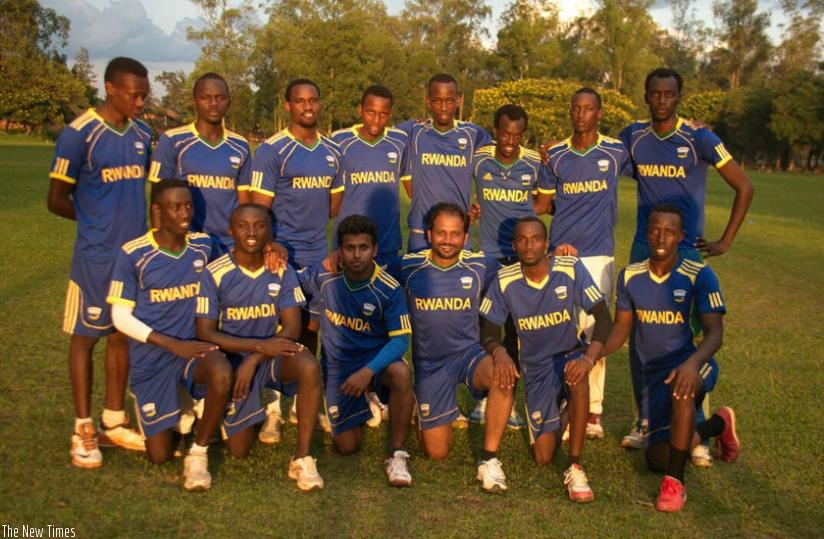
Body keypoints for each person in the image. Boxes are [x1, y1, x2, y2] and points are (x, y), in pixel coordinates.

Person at [618, 68, 754, 457]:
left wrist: (725, 241)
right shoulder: (633, 137)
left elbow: (744, 186)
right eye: (655, 93)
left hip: (687, 250)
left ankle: (698, 429)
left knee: (689, 339)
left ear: (679, 97)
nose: (661, 100)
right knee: (641, 337)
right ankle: (644, 421)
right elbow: (599, 157)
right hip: (644, 248)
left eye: (669, 94)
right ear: (646, 96)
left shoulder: (700, 138)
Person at [47, 56, 152, 468]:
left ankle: (113, 420)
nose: (140, 102)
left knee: (121, 334)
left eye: (144, 95)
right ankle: (83, 428)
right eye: (134, 95)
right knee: (86, 336)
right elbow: (56, 199)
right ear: (110, 88)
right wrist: (94, 222)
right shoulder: (79, 134)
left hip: (133, 258)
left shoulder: (142, 133)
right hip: (95, 258)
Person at [601, 204, 740, 512]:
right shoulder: (630, 276)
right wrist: (592, 353)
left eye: (669, 232)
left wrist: (691, 364)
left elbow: (715, 334)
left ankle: (675, 485)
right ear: (646, 233)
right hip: (655, 378)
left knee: (682, 387)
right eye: (655, 230)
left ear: (681, 236)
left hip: (695, 364)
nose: (661, 238)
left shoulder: (699, 275)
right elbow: (620, 329)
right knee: (657, 458)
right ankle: (719, 424)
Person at [106, 180, 232, 491]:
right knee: (160, 455)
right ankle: (180, 412)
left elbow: (235, 266)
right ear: (158, 211)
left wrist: (270, 248)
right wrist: (171, 344)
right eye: (175, 207)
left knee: (220, 370)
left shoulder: (204, 245)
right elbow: (120, 317)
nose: (185, 213)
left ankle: (198, 452)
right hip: (154, 358)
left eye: (188, 206)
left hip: (194, 351)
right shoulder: (134, 254)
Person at [479, 217, 611, 503]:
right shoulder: (505, 279)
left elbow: (603, 317)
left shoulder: (570, 268)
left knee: (578, 378)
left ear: (547, 243)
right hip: (537, 368)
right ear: (514, 245)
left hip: (570, 355)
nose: (529, 246)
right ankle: (569, 410)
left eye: (536, 238)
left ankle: (575, 467)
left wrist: (588, 359)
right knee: (543, 455)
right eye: (522, 240)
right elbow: (488, 329)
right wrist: (499, 352)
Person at [194, 203, 324, 490]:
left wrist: (255, 357)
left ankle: (303, 458)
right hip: (230, 361)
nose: (251, 233)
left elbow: (292, 327)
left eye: (259, 225)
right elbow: (205, 331)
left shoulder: (281, 269)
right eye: (243, 226)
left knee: (307, 364)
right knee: (239, 450)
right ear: (231, 231)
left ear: (269, 231)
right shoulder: (215, 273)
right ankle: (223, 412)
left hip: (266, 358)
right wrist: (256, 349)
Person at [242, 78, 343, 431]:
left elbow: (333, 207)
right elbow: (258, 210)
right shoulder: (272, 150)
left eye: (313, 100)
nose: (308, 107)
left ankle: (303, 402)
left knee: (312, 326)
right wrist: (270, 245)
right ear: (288, 105)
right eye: (300, 101)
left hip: (316, 254)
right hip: (280, 255)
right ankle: (272, 409)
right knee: (280, 327)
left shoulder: (332, 151)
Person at [401, 203, 516, 493]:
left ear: (465, 237)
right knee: (437, 452)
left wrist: (556, 256)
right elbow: (368, 269)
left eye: (455, 234)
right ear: (429, 234)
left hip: (469, 355)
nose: (448, 240)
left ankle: (489, 459)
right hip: (430, 365)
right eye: (441, 233)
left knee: (502, 373)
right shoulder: (409, 267)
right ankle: (422, 402)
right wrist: (336, 257)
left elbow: (521, 271)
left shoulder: (480, 265)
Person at [543, 88, 632, 440]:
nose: (581, 114)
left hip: (598, 254)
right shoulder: (555, 155)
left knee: (596, 331)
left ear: (599, 113)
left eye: (588, 108)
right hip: (561, 254)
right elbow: (542, 203)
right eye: (576, 108)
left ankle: (593, 410)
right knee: (563, 329)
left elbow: (648, 152)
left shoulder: (615, 151)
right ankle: (563, 400)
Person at [301, 215, 415, 487]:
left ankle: (396, 454)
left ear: (374, 250)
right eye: (349, 248)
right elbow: (290, 280)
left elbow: (401, 341)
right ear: (339, 250)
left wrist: (367, 372)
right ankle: (366, 402)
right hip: (339, 367)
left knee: (401, 373)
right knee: (347, 446)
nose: (356, 255)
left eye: (363, 247)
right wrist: (273, 252)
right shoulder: (324, 275)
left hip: (374, 364)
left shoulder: (388, 288)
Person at [468, 103, 551, 430]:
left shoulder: (533, 161)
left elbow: (543, 203)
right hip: (489, 256)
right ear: (495, 130)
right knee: (486, 327)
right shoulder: (479, 158)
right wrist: (474, 209)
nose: (510, 141)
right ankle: (483, 397)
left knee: (518, 331)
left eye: (517, 135)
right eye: (505, 133)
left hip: (522, 258)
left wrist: (520, 208)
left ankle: (509, 399)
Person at [149, 72, 251, 255]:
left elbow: (244, 201)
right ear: (194, 101)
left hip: (229, 245)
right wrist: (160, 249)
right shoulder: (173, 140)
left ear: (229, 102)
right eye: (206, 98)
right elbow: (157, 199)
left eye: (220, 98)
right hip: (187, 244)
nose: (213, 103)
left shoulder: (240, 145)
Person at [398, 73, 492, 253]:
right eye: (437, 101)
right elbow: (381, 139)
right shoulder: (414, 131)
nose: (443, 107)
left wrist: (483, 199)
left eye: (449, 101)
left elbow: (503, 155)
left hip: (457, 232)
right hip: (421, 232)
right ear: (428, 101)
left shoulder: (473, 134)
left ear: (459, 101)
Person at [329, 84, 407, 277]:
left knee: (384, 292)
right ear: (360, 109)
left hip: (386, 241)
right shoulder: (339, 140)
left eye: (383, 114)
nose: (376, 120)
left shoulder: (400, 141)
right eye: (371, 112)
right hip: (349, 242)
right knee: (347, 293)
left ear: (390, 114)